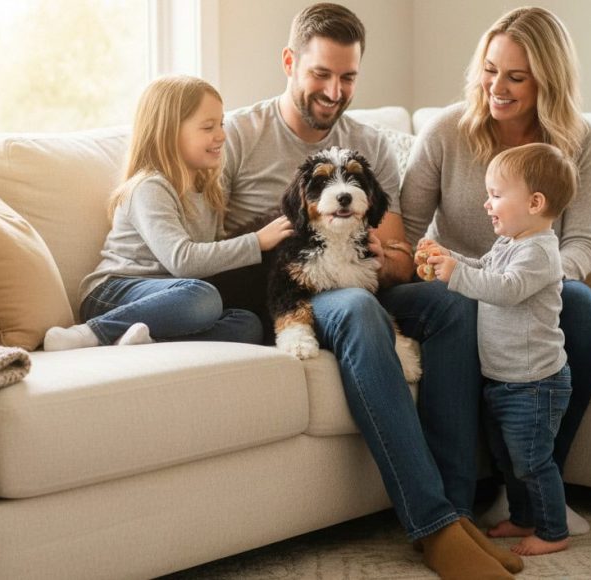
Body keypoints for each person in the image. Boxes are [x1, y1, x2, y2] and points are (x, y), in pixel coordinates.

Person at [221, 4, 522, 578]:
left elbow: (394, 262)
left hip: (357, 277)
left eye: (349, 77)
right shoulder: (238, 136)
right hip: (294, 291)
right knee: (359, 309)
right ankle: (432, 525)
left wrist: (392, 257)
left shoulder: (370, 145)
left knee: (450, 306)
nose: (335, 91)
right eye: (320, 74)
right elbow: (215, 245)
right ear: (290, 62)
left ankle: (458, 510)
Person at [401, 6, 591, 535]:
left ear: (548, 80)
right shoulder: (446, 131)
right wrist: (426, 262)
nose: (498, 86)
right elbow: (406, 228)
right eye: (490, 70)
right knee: (458, 308)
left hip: (536, 281)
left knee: (581, 308)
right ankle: (480, 495)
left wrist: (541, 284)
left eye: (516, 77)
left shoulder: (578, 141)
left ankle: (540, 489)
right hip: (462, 281)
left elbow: (582, 240)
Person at [43, 75, 293, 352]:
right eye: (208, 126)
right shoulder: (149, 187)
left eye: (221, 123)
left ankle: (147, 341)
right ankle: (91, 332)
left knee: (247, 324)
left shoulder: (208, 191)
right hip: (114, 294)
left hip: (170, 298)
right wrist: (256, 242)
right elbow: (183, 261)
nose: (222, 135)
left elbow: (212, 256)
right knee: (201, 295)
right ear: (169, 133)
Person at [426, 143, 577, 556]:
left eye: (495, 194)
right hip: (505, 379)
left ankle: (552, 530)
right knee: (508, 460)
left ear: (535, 202)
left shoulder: (540, 252)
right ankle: (524, 516)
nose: (486, 203)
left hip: (534, 383)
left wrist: (453, 274)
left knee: (531, 461)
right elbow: (483, 270)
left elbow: (505, 290)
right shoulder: (511, 242)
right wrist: (447, 256)